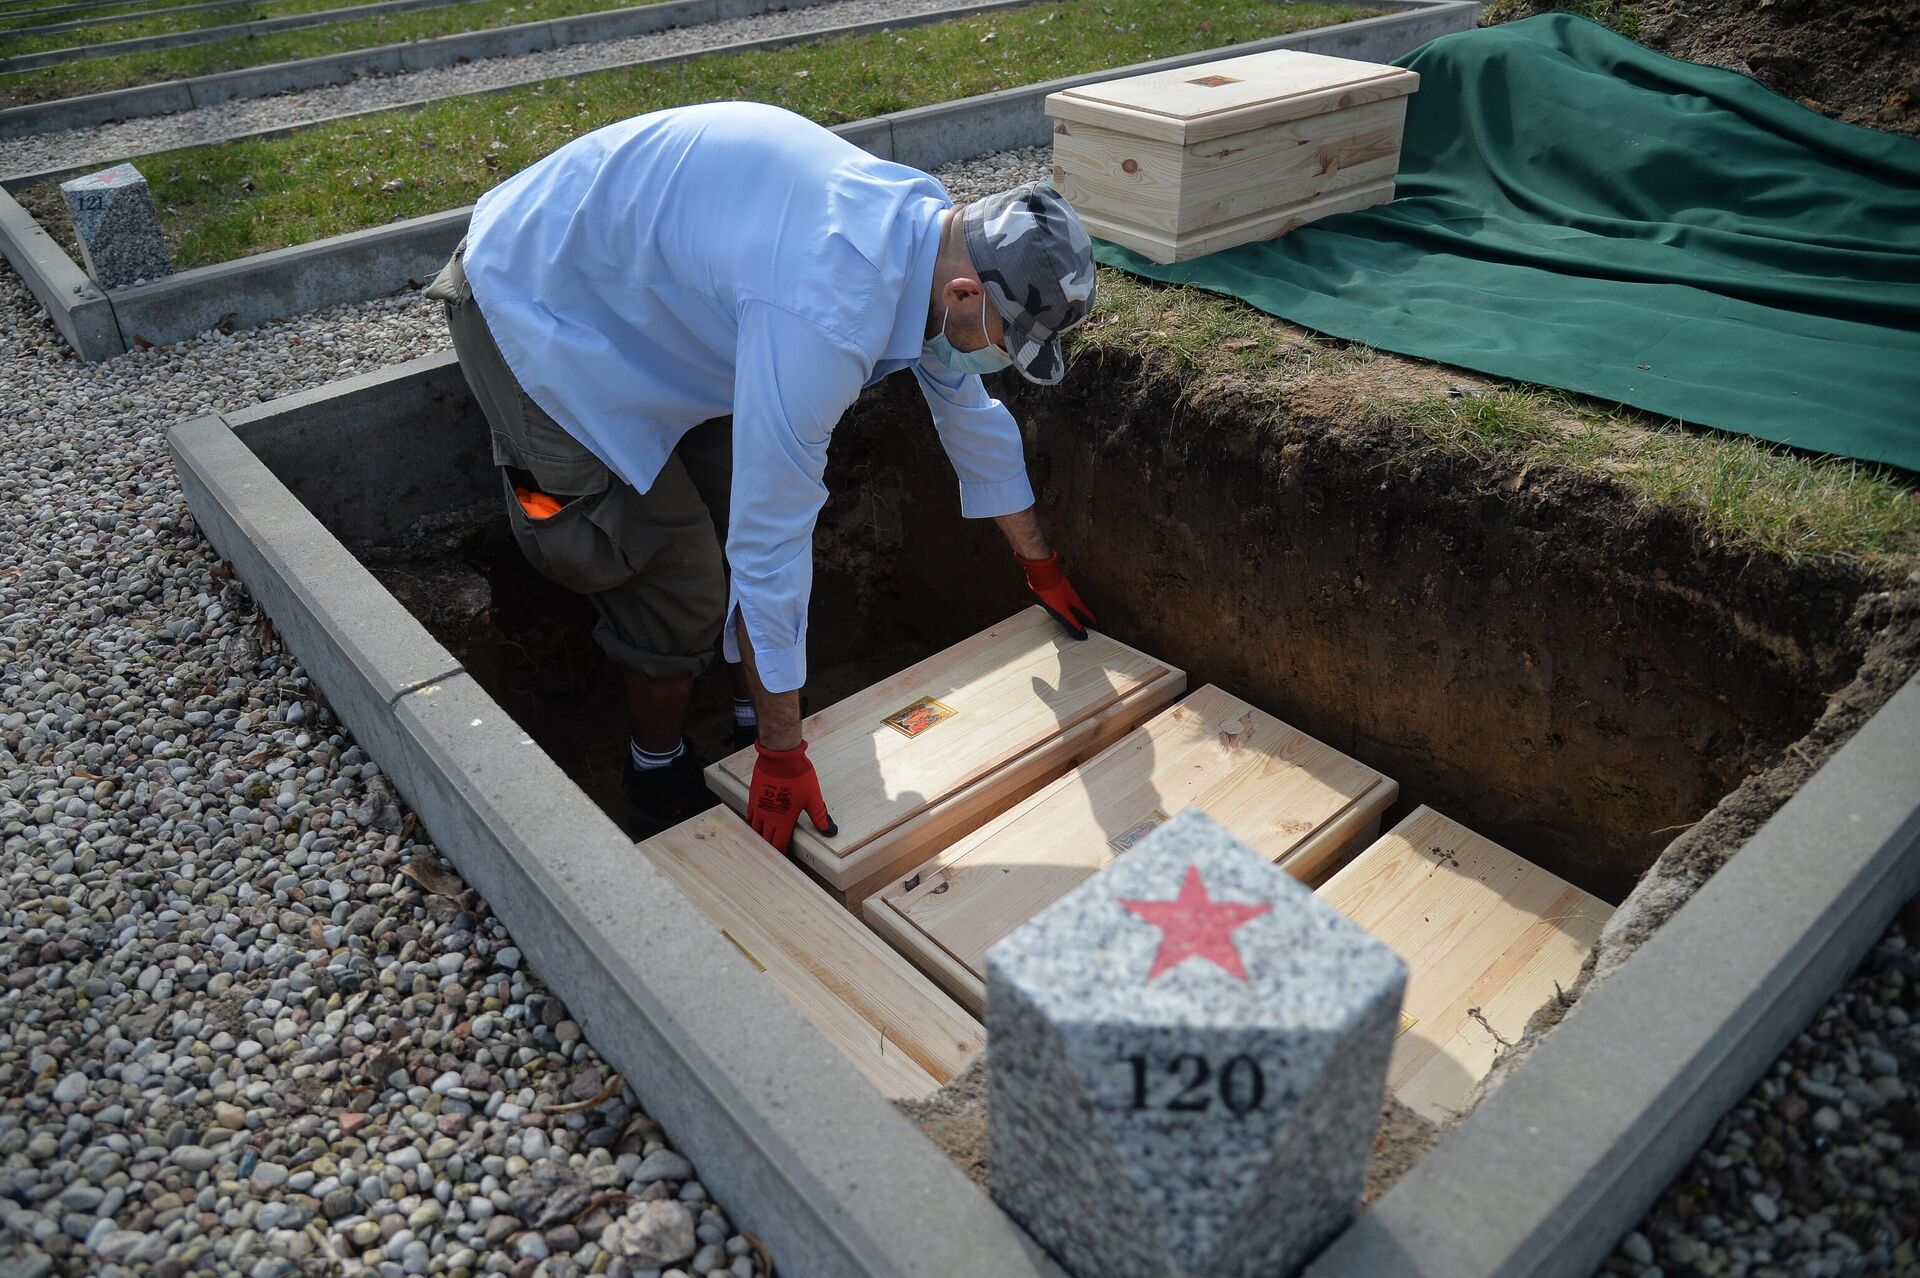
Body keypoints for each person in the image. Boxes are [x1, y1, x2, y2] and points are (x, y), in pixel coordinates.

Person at [425, 100, 1099, 851]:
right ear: (966, 295)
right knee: (679, 578)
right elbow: (770, 548)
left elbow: (968, 414)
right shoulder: (826, 314)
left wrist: (1038, 565)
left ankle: (749, 712)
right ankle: (657, 771)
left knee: (731, 502)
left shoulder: (926, 233)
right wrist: (785, 753)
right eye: (1010, 341)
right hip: (539, 308)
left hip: (659, 301)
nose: (1002, 358)